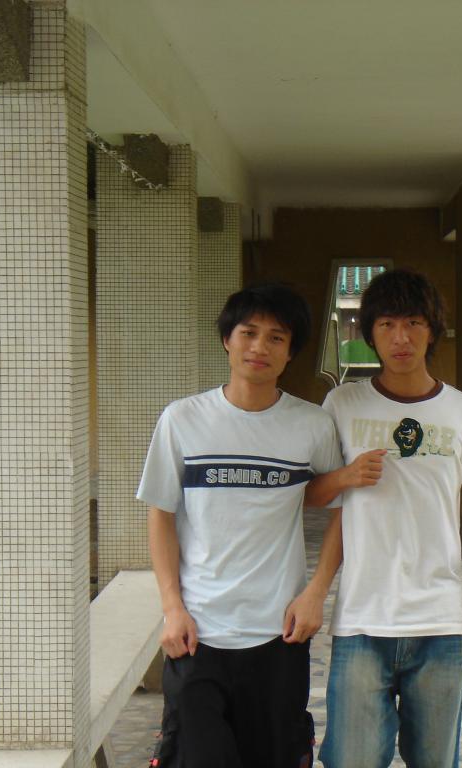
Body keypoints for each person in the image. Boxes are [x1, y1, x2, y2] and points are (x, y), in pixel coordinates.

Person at [296, 268, 462, 768]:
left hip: (439, 621)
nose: (401, 337)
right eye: (387, 324)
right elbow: (314, 496)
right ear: (370, 333)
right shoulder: (343, 404)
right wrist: (345, 478)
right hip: (361, 622)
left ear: (432, 330)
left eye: (413, 323)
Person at [137, 283, 344, 768]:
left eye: (276, 337)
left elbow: (341, 507)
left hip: (278, 635)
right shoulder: (182, 419)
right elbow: (160, 514)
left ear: (291, 352)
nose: (259, 347)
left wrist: (316, 592)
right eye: (248, 333)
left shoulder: (312, 425)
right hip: (197, 635)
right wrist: (171, 608)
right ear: (227, 340)